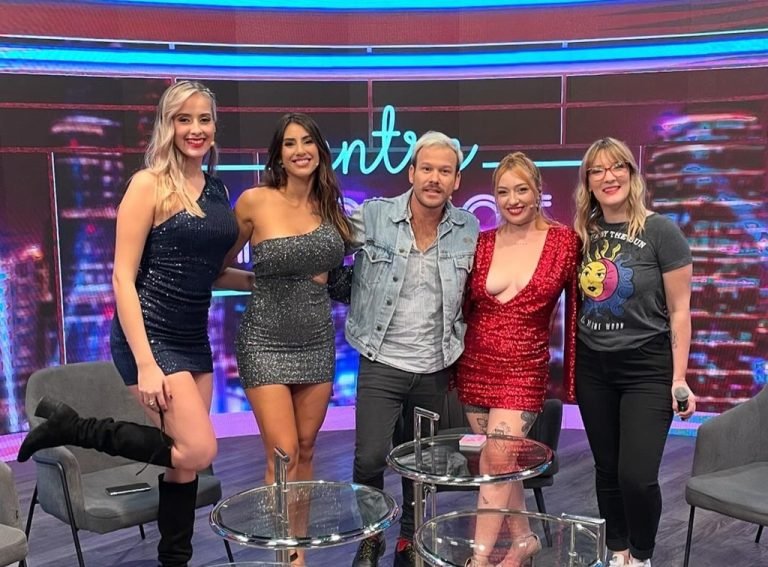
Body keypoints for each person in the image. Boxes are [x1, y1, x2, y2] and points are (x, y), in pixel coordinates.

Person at [17, 80, 251, 567]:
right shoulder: (148, 184)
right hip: (150, 336)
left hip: (193, 337)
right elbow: (122, 278)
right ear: (166, 125)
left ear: (214, 126)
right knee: (198, 450)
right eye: (183, 119)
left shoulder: (216, 189)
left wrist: (261, 280)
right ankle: (76, 427)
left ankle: (174, 560)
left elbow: (211, 270)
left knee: (183, 464)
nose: (195, 129)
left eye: (204, 119)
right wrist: (146, 363)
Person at [347, 131, 480, 567]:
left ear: (457, 180)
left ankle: (409, 537)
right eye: (427, 168)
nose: (434, 178)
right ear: (411, 173)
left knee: (420, 462)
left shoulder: (468, 228)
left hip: (435, 364)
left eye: (444, 171)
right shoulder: (375, 216)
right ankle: (371, 537)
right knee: (370, 457)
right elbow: (323, 245)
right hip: (381, 357)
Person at [232, 112, 351, 565]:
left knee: (305, 448)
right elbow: (217, 268)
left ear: (319, 150)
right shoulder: (254, 201)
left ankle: (295, 546)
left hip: (317, 340)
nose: (299, 150)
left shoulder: (331, 209)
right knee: (281, 453)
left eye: (307, 141)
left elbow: (338, 280)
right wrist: (261, 281)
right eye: (289, 143)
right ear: (278, 155)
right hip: (264, 341)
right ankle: (287, 558)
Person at [573, 137, 696, 567]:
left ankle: (641, 555)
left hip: (647, 367)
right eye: (597, 170)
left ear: (631, 173)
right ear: (588, 182)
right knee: (607, 469)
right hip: (594, 366)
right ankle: (617, 551)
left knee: (637, 476)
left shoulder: (661, 232)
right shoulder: (582, 235)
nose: (608, 177)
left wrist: (679, 378)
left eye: (617, 167)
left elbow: (679, 311)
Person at [456, 152, 580, 567]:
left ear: (538, 191)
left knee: (496, 460)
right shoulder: (483, 242)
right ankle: (524, 539)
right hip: (476, 365)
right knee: (498, 463)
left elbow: (582, 308)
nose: (513, 200)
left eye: (521, 189)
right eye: (503, 191)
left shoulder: (564, 242)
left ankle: (478, 560)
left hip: (524, 369)